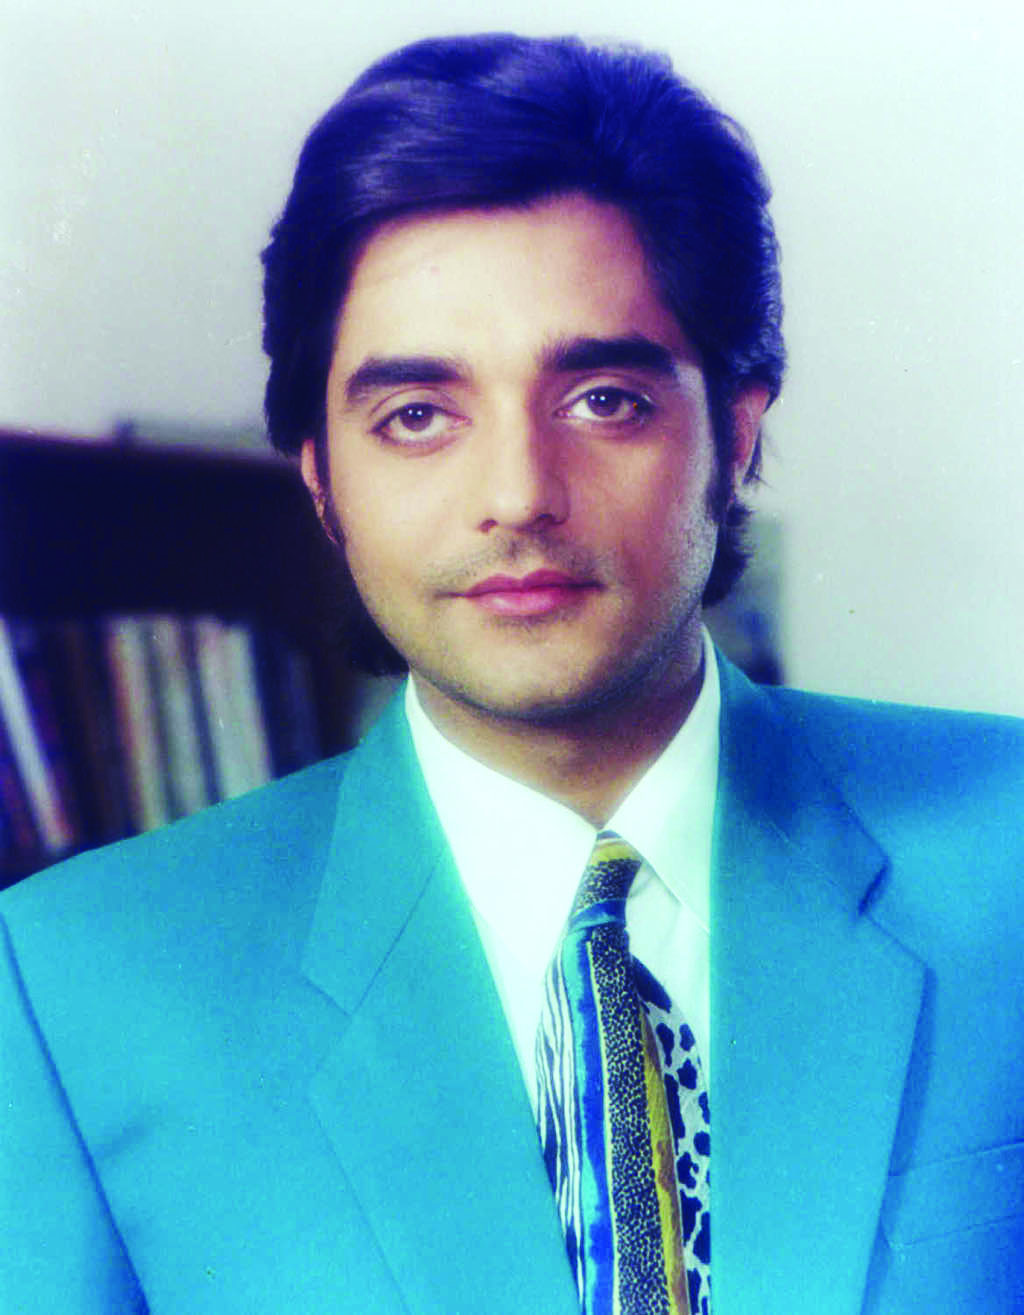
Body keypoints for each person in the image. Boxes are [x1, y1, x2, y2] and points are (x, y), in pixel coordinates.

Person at [2, 33, 1021, 1315]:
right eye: (416, 417)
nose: (518, 494)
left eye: (603, 399)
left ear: (733, 431)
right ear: (322, 480)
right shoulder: (73, 986)